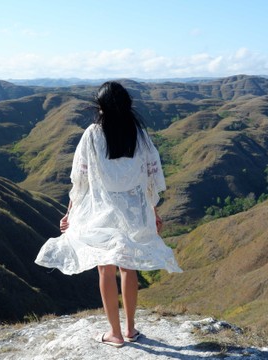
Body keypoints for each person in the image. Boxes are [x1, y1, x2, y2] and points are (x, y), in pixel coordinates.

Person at [35, 81, 182, 348]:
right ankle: (131, 329)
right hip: (134, 210)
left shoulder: (92, 134)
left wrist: (69, 213)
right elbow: (150, 177)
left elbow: (80, 180)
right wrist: (153, 211)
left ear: (100, 108)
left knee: (106, 268)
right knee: (129, 266)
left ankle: (114, 333)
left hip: (101, 209)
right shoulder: (138, 134)